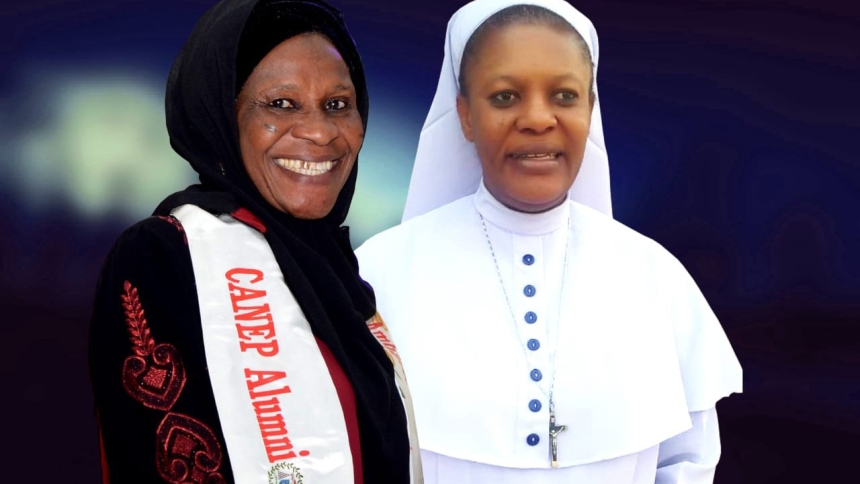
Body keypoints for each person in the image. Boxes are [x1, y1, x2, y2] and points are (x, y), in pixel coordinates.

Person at [355, 0, 742, 482]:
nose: (538, 119)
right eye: (503, 97)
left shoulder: (654, 277)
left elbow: (688, 461)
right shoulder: (378, 274)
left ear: (590, 108)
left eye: (563, 95)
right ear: (465, 115)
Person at [87, 0, 421, 482]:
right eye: (281, 105)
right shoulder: (165, 258)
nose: (319, 132)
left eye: (337, 105)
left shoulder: (343, 280)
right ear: (222, 115)